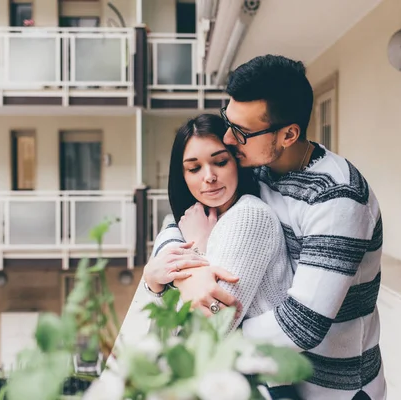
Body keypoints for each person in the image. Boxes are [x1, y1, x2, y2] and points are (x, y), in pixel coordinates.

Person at [144, 55, 386, 400]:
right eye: (228, 121)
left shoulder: (338, 200)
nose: (228, 138)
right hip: (275, 382)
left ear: (288, 134)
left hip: (334, 388)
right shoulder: (257, 164)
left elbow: (300, 326)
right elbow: (184, 214)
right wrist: (188, 265)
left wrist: (211, 325)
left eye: (240, 131)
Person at [142, 113, 294, 333]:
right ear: (182, 176)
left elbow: (206, 328)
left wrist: (198, 247)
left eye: (220, 162)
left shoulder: (250, 216)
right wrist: (151, 278)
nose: (209, 176)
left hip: (264, 362)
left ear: (237, 163)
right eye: (194, 168)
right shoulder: (201, 216)